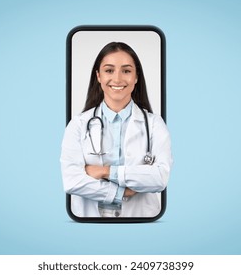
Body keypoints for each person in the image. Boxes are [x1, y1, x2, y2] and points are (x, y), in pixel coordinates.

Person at [60, 42, 172, 218]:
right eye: (109, 70)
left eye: (126, 71)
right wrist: (122, 192)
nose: (118, 79)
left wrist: (105, 171)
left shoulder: (155, 124)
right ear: (98, 76)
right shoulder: (78, 124)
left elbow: (159, 178)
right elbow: (72, 181)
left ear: (136, 77)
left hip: (142, 222)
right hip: (89, 222)